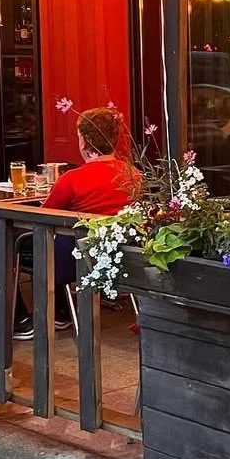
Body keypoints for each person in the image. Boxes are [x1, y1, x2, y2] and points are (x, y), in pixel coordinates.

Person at [12, 108, 140, 337]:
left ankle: (20, 318)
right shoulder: (133, 174)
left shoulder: (72, 179)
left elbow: (42, 216)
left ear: (85, 140)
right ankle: (60, 311)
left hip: (73, 260)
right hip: (117, 255)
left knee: (12, 241)